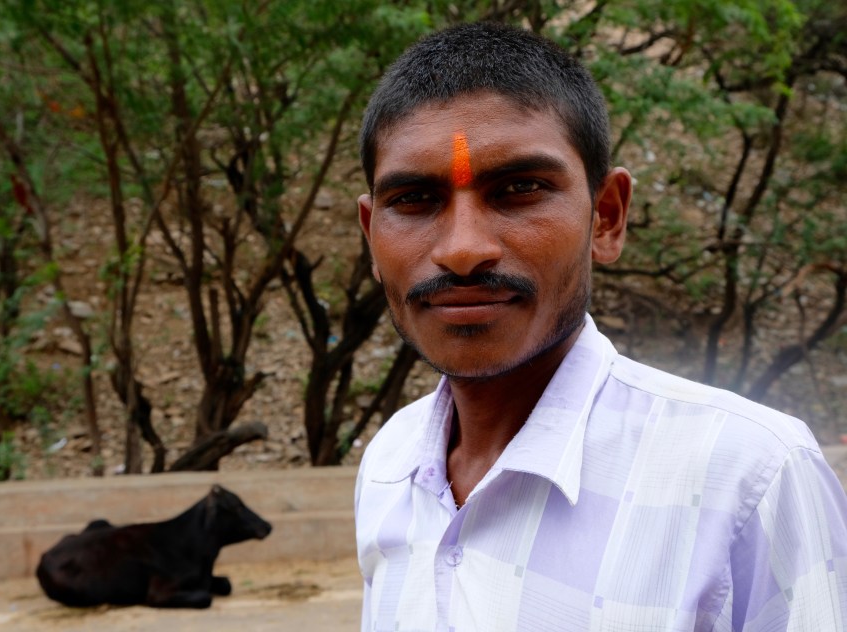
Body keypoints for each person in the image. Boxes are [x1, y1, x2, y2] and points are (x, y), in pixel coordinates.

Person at [353, 21, 847, 632]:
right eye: (413, 200)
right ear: (371, 237)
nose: (462, 249)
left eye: (520, 189)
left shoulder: (752, 477)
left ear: (606, 218)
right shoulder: (389, 464)